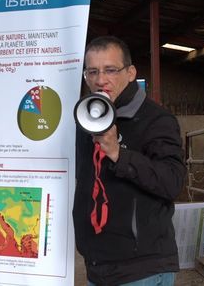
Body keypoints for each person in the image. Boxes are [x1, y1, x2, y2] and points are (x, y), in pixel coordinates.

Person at [73, 35, 186, 286]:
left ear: (131, 72)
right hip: (97, 263)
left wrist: (118, 153)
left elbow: (172, 183)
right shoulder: (87, 118)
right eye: (92, 72)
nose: (100, 80)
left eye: (110, 70)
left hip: (140, 269)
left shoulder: (156, 120)